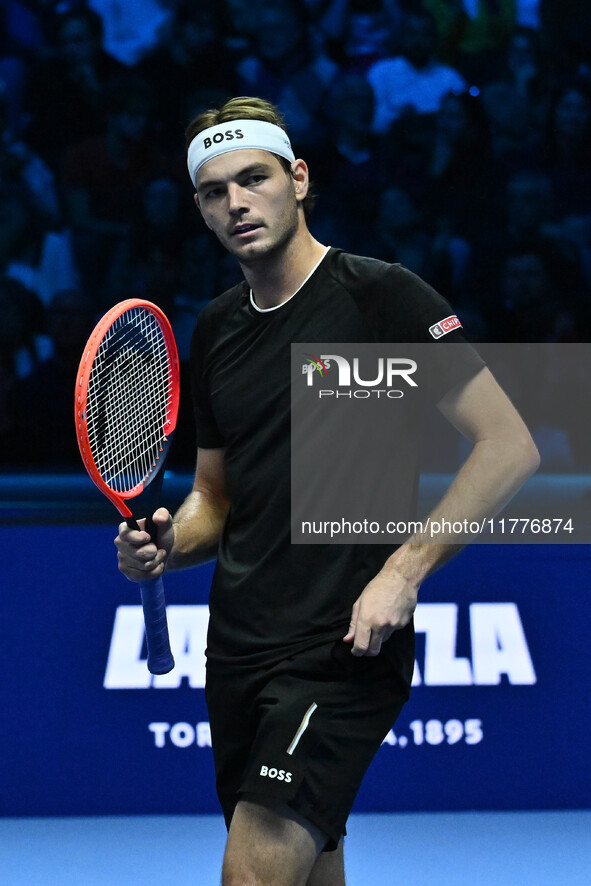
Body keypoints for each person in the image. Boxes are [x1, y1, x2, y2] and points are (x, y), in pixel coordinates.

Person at [115, 96, 540, 886]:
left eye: (254, 179)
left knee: (252, 874)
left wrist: (400, 573)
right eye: (214, 191)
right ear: (200, 208)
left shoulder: (383, 297)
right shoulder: (214, 329)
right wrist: (170, 546)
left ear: (298, 178)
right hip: (239, 646)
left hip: (341, 645)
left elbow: (507, 446)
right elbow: (215, 498)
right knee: (313, 870)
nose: (237, 203)